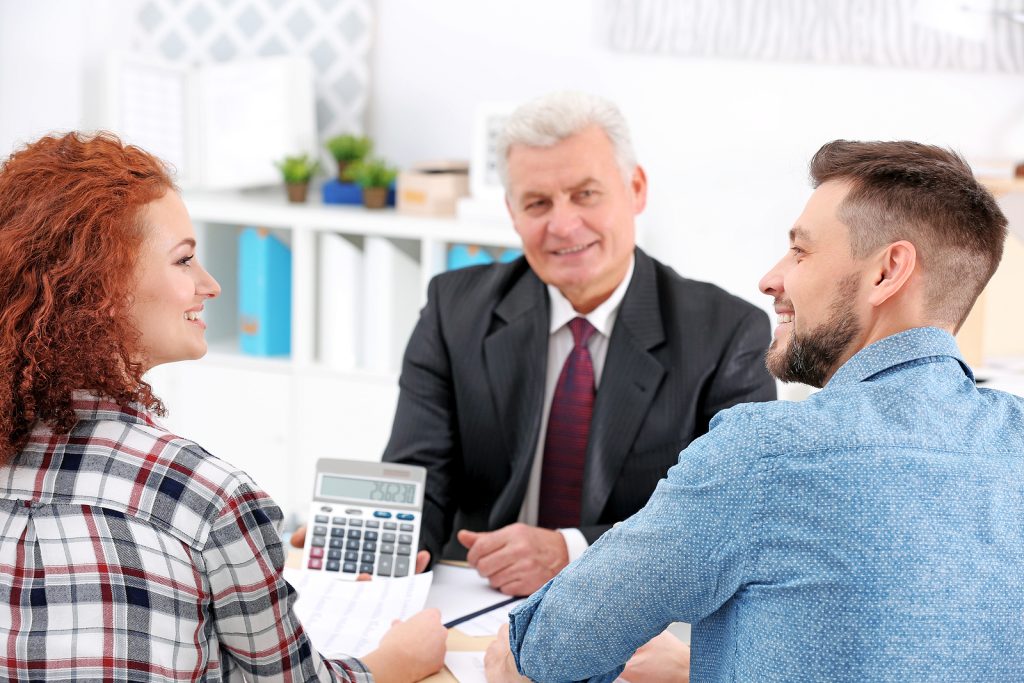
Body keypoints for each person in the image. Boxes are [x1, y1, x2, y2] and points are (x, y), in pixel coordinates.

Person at [503, 140, 1024, 681]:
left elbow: (555, 647)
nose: (771, 278)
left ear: (887, 271)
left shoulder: (766, 454)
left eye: (800, 252)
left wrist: (513, 654)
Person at [0, 132, 446, 682]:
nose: (209, 285)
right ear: (103, 287)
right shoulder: (204, 498)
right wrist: (394, 661)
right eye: (184, 260)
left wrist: (261, 556)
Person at [380, 90, 776, 596]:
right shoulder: (453, 309)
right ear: (512, 212)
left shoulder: (726, 333)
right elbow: (419, 479)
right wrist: (377, 543)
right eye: (537, 203)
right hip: (478, 594)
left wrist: (568, 550)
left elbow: (729, 515)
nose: (563, 225)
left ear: (635, 189)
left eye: (586, 194)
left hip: (635, 608)